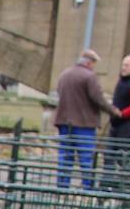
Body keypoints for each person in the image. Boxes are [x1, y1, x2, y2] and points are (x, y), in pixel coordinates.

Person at [52, 48, 122, 190]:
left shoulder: (65, 74)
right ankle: (87, 187)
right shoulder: (89, 77)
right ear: (90, 63)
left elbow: (59, 93)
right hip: (84, 124)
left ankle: (62, 187)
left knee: (65, 157)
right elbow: (98, 99)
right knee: (85, 158)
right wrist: (113, 111)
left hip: (64, 122)